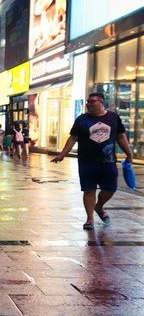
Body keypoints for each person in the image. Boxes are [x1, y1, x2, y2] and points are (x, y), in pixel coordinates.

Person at [52, 92, 134, 230]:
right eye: (88, 102)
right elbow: (73, 138)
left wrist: (129, 154)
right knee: (89, 190)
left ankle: (99, 207)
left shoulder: (113, 118)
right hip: (86, 161)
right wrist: (62, 154)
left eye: (92, 101)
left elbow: (120, 137)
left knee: (110, 189)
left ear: (101, 102)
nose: (89, 104)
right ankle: (90, 219)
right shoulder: (82, 119)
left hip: (108, 161)